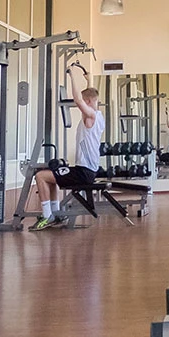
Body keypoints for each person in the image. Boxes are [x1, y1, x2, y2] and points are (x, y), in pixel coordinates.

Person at [34, 70, 103, 229]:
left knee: (40, 176)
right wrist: (89, 80)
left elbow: (79, 100)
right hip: (86, 170)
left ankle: (47, 216)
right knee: (51, 176)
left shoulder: (91, 116)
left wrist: (72, 76)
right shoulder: (99, 116)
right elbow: (90, 96)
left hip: (84, 172)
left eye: (85, 102)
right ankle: (56, 214)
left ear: (87, 102)